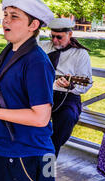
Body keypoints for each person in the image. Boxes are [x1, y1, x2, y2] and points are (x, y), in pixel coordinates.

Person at [0, 0, 56, 181]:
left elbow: (41, 117)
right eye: (5, 15)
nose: (6, 21)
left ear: (33, 25)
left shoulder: (36, 61)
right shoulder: (8, 52)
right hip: (4, 147)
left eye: (14, 16)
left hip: (30, 153)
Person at [38, 18, 93, 157]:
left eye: (59, 37)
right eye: (52, 36)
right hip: (41, 92)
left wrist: (71, 85)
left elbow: (85, 84)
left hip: (66, 96)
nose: (55, 41)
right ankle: (29, 153)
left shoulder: (80, 54)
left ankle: (49, 158)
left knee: (67, 118)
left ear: (70, 34)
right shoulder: (43, 47)